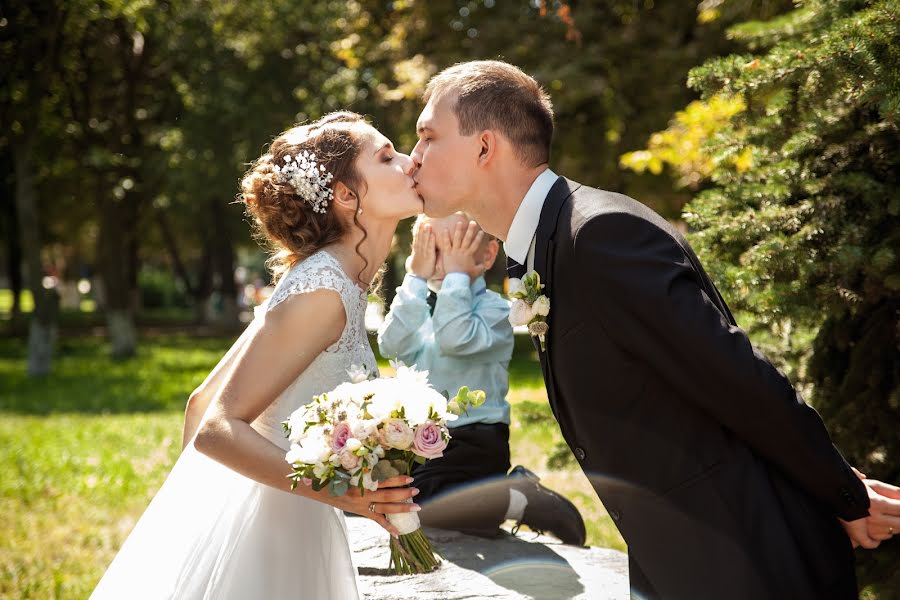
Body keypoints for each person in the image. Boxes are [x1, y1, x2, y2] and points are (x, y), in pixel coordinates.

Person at [409, 60, 900, 599]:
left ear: (484, 147)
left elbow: (734, 376)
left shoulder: (598, 235)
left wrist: (843, 495)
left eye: (427, 137)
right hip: (682, 563)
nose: (414, 158)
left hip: (752, 560)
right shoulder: (548, 247)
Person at [91, 112, 423, 600]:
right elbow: (216, 428)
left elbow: (202, 400)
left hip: (280, 517)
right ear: (347, 196)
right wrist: (346, 495)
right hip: (271, 528)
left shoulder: (333, 278)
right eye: (386, 156)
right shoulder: (324, 292)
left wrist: (193, 523)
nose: (409, 161)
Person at [377, 212, 586, 544]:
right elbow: (390, 344)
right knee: (393, 500)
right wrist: (415, 277)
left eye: (454, 245)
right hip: (421, 442)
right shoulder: (419, 307)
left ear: (488, 255)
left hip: (473, 440)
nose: (441, 259)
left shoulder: (496, 311)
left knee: (425, 505)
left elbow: (454, 337)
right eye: (430, 246)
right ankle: (488, 503)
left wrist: (457, 277)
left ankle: (520, 498)